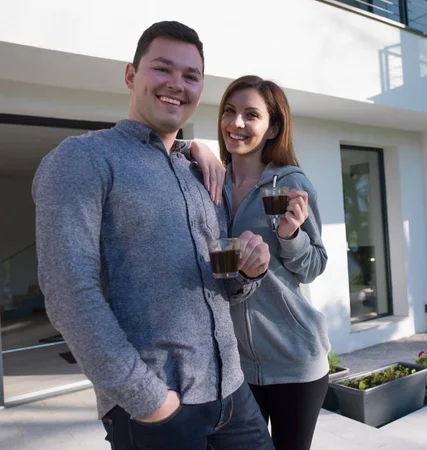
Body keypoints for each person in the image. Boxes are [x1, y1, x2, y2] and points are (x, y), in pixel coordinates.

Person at [32, 22, 274, 450]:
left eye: (191, 76)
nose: (176, 85)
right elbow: (69, 293)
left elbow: (221, 289)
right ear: (131, 75)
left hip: (233, 394)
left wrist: (248, 272)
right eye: (163, 69)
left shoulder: (201, 172)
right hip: (158, 413)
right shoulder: (83, 160)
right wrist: (150, 401)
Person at [189, 75, 331, 450]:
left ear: (273, 128)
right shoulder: (209, 181)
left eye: (251, 115)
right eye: (229, 112)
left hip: (294, 361)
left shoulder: (290, 184)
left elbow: (315, 265)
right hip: (234, 364)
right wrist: (193, 147)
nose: (237, 123)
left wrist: (290, 236)